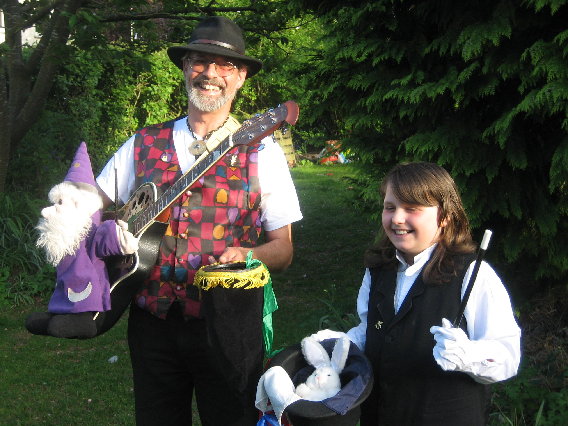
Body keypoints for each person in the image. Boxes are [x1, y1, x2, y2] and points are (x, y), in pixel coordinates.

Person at [95, 16, 302, 425]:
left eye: (224, 65)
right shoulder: (143, 143)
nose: (210, 74)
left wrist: (247, 252)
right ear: (186, 69)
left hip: (226, 323)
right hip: (152, 320)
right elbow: (92, 205)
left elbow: (283, 248)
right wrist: (103, 230)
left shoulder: (264, 153)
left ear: (240, 77)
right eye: (199, 62)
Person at [314, 162, 520, 425]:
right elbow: (371, 331)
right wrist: (338, 345)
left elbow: (508, 356)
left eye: (412, 209)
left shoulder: (472, 274)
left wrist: (469, 355)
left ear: (444, 216)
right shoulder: (379, 269)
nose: (397, 218)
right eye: (390, 208)